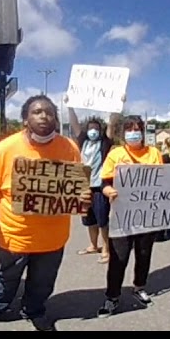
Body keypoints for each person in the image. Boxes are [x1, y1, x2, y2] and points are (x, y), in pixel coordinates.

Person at [0, 95, 92, 331]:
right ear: (25, 119)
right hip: (15, 235)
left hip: (52, 238)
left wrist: (84, 199)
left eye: (49, 112)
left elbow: (78, 193)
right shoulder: (5, 149)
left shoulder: (69, 148)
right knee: (5, 277)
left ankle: (34, 310)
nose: (44, 116)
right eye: (37, 112)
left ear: (55, 118)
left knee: (43, 281)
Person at [97, 116, 170, 317]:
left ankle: (140, 287)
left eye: (137, 129)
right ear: (123, 133)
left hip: (148, 216)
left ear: (143, 132)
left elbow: (163, 184)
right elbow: (104, 182)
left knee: (144, 255)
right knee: (118, 259)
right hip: (123, 216)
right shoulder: (116, 154)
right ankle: (112, 297)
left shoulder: (154, 153)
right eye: (129, 129)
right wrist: (107, 191)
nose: (134, 132)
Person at [65, 96, 121, 264]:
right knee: (88, 220)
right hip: (84, 188)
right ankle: (92, 245)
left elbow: (111, 124)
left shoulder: (104, 143)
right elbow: (74, 124)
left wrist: (118, 105)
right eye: (90, 128)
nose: (93, 131)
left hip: (99, 188)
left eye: (96, 128)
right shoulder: (83, 141)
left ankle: (106, 249)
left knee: (102, 219)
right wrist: (70, 107)